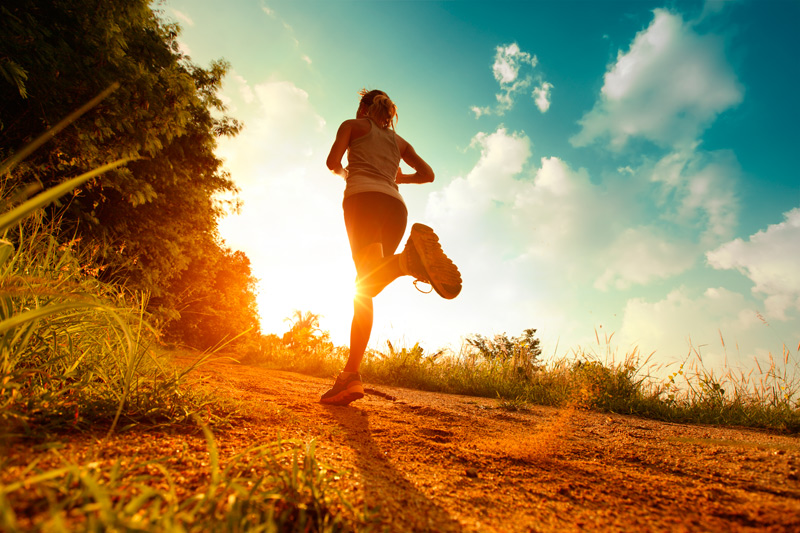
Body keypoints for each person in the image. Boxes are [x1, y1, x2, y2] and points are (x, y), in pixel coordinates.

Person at [320, 89, 461, 406]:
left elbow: (332, 162)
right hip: (395, 209)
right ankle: (351, 377)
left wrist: (347, 173)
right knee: (366, 286)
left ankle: (404, 262)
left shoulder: (352, 126)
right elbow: (428, 174)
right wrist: (398, 178)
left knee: (364, 285)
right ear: (387, 112)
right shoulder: (399, 143)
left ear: (363, 107)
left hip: (363, 201)